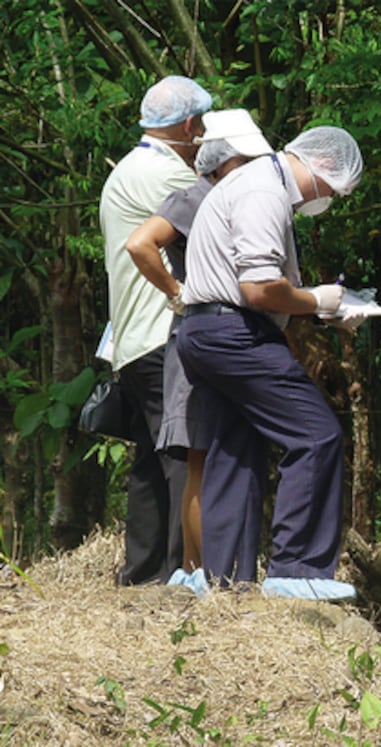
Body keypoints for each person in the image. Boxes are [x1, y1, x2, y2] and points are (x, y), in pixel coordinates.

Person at [176, 125, 366, 601]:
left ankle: (225, 580)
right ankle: (297, 569)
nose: (329, 200)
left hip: (204, 330)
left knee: (235, 450)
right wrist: (319, 300)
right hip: (235, 333)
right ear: (322, 167)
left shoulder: (251, 183)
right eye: (335, 191)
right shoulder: (265, 189)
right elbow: (258, 288)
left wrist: (320, 310)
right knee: (316, 435)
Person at [125, 109, 274, 585]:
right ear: (222, 161)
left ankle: (214, 576)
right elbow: (140, 244)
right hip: (202, 336)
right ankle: (203, 576)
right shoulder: (199, 196)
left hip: (225, 338)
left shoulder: (234, 196)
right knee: (201, 458)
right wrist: (178, 293)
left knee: (220, 458)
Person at [100, 75, 211, 585]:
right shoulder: (162, 175)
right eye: (203, 126)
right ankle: (179, 574)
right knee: (179, 454)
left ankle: (140, 577)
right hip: (156, 333)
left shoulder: (133, 165)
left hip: (133, 338)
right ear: (188, 125)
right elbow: (217, 216)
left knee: (150, 458)